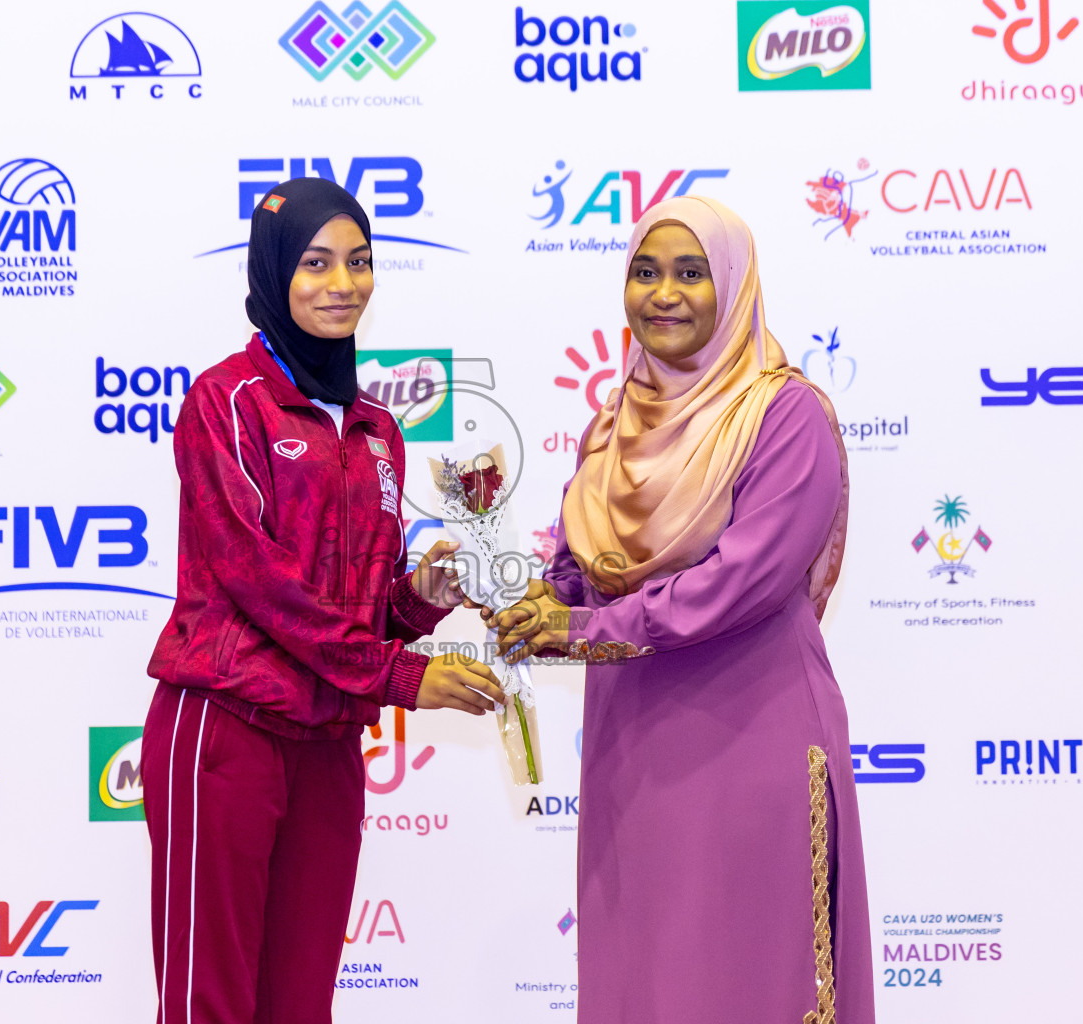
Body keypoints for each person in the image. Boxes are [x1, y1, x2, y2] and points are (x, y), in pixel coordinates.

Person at [493, 196, 874, 1023]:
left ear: (733, 287)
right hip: (634, 756)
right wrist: (531, 599)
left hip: (750, 743)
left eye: (691, 273)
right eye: (645, 272)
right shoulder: (616, 419)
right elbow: (580, 562)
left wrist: (585, 631)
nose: (663, 294)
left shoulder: (783, 415)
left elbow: (742, 583)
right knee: (647, 983)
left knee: (746, 977)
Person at [142, 177, 505, 1024]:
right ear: (273, 273)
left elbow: (353, 604)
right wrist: (404, 677)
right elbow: (262, 584)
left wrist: (416, 602)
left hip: (330, 742)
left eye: (359, 262)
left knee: (301, 1004)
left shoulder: (378, 428)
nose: (342, 283)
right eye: (315, 263)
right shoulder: (225, 402)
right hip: (225, 730)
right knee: (211, 1005)